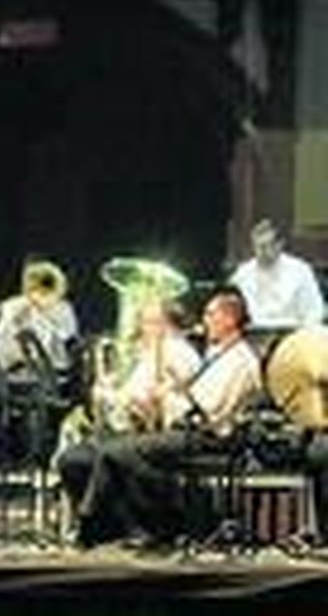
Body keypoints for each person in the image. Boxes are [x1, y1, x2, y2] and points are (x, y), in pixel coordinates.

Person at [66, 290, 261, 547]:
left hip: (210, 438)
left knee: (118, 453)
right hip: (191, 430)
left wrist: (166, 397)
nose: (205, 320)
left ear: (230, 319)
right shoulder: (219, 354)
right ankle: (117, 526)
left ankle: (112, 523)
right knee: (84, 456)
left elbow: (207, 411)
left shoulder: (239, 359)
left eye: (211, 314)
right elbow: (194, 398)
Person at [229, 220, 324, 331]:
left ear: (279, 244)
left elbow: (314, 312)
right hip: (253, 335)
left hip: (291, 333)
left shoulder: (300, 271)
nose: (261, 252)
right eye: (257, 247)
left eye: (265, 246)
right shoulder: (243, 274)